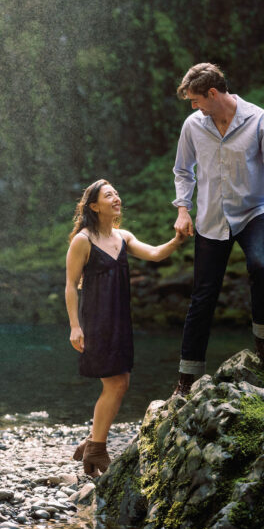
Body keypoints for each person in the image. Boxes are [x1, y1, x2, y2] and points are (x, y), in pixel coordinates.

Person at [172, 63, 264, 396]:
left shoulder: (259, 120)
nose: (193, 106)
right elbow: (183, 171)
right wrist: (183, 210)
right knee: (203, 296)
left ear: (213, 93)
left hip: (252, 212)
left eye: (196, 99)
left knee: (263, 266)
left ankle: (263, 342)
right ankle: (187, 377)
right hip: (210, 219)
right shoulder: (193, 126)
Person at [65, 179, 185, 476]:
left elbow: (156, 254)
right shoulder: (82, 240)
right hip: (97, 320)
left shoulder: (123, 237)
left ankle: (92, 443)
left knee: (121, 383)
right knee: (116, 384)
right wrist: (74, 327)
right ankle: (96, 449)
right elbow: (69, 285)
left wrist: (178, 240)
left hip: (120, 319)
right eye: (109, 195)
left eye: (116, 193)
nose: (116, 198)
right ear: (94, 206)